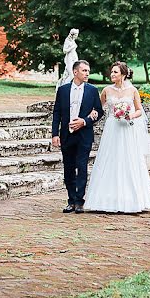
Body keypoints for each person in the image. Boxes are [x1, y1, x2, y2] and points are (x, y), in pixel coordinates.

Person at [84, 61, 150, 213]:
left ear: (123, 74)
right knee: (109, 159)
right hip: (112, 127)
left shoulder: (132, 91)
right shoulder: (106, 90)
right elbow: (98, 108)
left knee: (128, 160)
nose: (112, 74)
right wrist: (89, 117)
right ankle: (105, 199)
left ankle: (131, 199)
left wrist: (130, 115)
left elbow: (139, 111)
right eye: (111, 72)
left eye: (115, 72)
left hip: (126, 129)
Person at [52, 59, 104, 213]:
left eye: (88, 71)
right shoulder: (62, 90)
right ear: (75, 72)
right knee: (68, 168)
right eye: (84, 70)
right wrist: (55, 134)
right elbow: (57, 113)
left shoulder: (92, 90)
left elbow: (99, 111)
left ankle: (80, 201)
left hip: (84, 135)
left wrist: (85, 121)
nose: (87, 73)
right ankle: (71, 201)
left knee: (81, 167)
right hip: (67, 135)